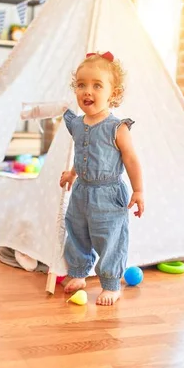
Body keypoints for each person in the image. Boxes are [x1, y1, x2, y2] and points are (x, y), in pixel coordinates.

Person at [59, 51, 144, 306]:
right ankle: (78, 272)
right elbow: (83, 152)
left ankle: (110, 284)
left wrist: (138, 190)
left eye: (97, 85)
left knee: (109, 238)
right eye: (82, 85)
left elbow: (130, 159)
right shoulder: (77, 123)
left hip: (107, 194)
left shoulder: (117, 127)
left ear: (113, 93)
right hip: (82, 191)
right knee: (76, 231)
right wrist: (73, 173)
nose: (88, 91)